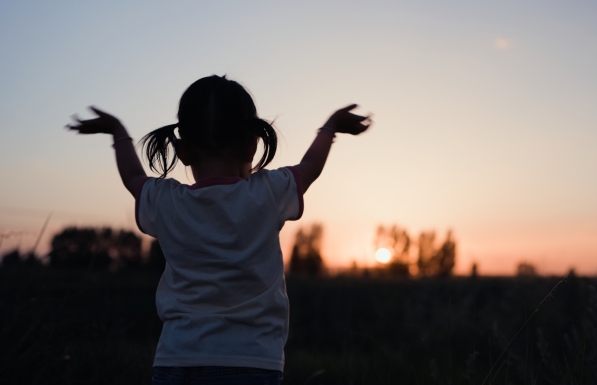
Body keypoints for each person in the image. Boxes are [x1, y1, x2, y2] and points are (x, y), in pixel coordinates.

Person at [67, 75, 371, 384]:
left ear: (183, 151)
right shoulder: (267, 193)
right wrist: (330, 128)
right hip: (253, 362)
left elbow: (132, 177)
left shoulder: (168, 201)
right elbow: (310, 166)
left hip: (176, 360)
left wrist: (118, 132)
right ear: (253, 144)